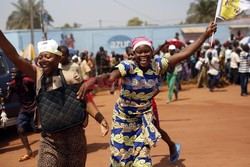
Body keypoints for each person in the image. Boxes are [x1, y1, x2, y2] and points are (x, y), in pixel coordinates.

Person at [77, 22, 217, 166]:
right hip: (123, 120)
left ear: (151, 52)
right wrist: (93, 80)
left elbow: (184, 54)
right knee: (120, 160)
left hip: (143, 121)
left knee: (143, 162)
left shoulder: (157, 64)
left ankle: (171, 146)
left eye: (146, 51)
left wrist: (206, 34)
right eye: (139, 52)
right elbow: (110, 76)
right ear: (134, 53)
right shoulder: (128, 66)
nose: (143, 55)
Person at [0, 31, 109, 166]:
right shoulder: (37, 75)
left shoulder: (70, 77)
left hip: (75, 139)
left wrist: (100, 119)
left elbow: (84, 100)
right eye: (40, 57)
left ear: (58, 59)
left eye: (48, 57)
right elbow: (15, 57)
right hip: (50, 140)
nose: (43, 60)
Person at [1, 67, 37, 162]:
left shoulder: (28, 81)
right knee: (20, 129)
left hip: (34, 107)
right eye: (11, 73)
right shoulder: (12, 85)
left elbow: (37, 91)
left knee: (37, 129)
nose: (12, 75)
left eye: (14, 73)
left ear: (20, 74)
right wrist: (2, 97)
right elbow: (8, 99)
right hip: (24, 109)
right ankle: (29, 151)